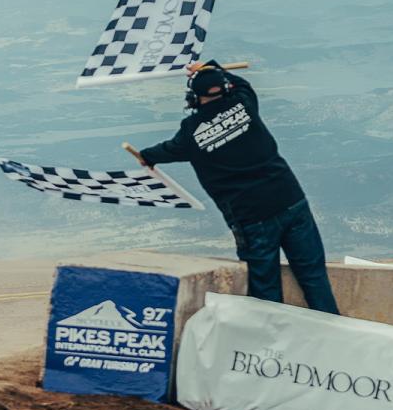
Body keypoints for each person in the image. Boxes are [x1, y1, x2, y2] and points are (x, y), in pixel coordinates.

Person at [134, 60, 339, 313]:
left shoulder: (191, 132)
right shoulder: (244, 103)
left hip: (253, 218)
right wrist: (210, 66)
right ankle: (334, 330)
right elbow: (243, 84)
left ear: (193, 98)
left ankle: (273, 344)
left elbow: (168, 150)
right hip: (291, 200)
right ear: (227, 88)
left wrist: (146, 155)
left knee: (266, 291)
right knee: (313, 276)